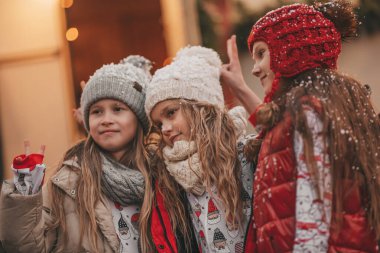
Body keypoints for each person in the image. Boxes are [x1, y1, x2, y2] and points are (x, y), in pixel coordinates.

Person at [221, 0, 380, 252]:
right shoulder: (318, 107)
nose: (255, 68)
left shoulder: (308, 114)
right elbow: (274, 126)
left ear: (289, 50)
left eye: (262, 53)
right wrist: (239, 88)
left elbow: (313, 217)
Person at [0, 55, 152, 253]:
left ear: (139, 118)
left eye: (117, 109)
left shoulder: (161, 177)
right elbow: (25, 248)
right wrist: (24, 198)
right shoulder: (66, 183)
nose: (106, 119)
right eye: (96, 112)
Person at [139, 46, 255, 253]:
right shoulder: (171, 172)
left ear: (200, 106)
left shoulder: (245, 152)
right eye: (158, 124)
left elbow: (284, 136)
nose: (165, 128)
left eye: (171, 113)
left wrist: (241, 89)